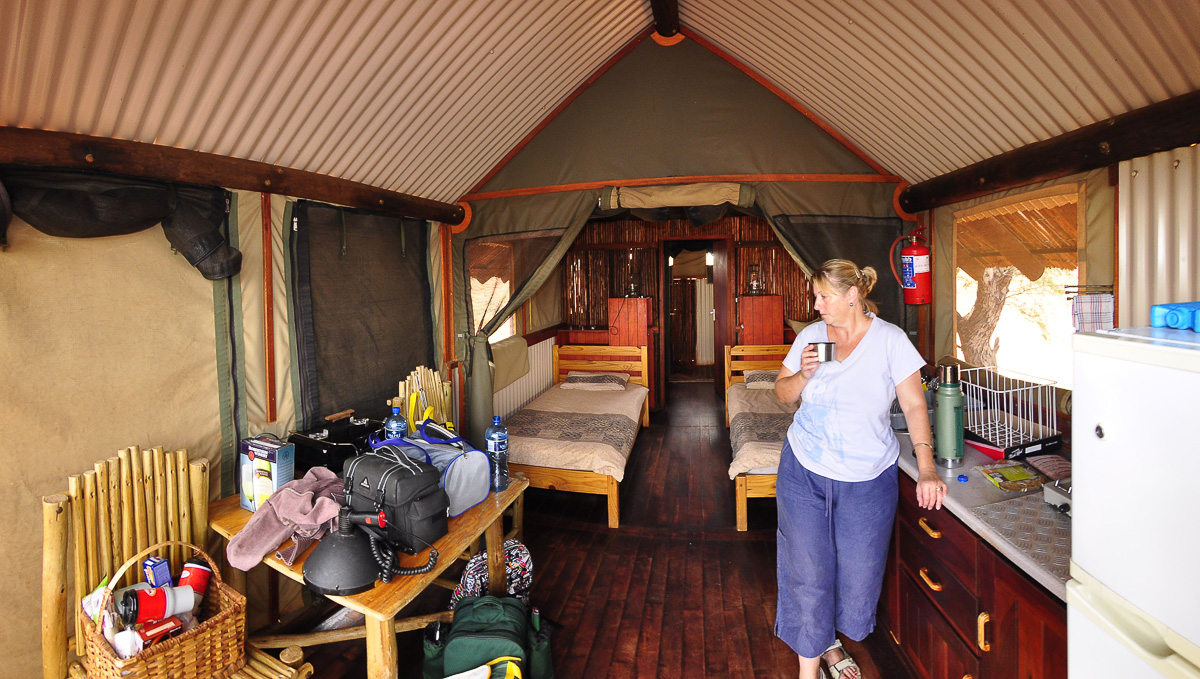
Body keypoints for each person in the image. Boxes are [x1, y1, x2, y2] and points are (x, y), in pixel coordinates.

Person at [773, 258, 943, 679]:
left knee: (858, 579)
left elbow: (914, 403)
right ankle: (809, 669)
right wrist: (805, 375)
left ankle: (830, 639)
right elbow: (782, 391)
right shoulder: (813, 337)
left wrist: (927, 469)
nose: (816, 305)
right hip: (805, 469)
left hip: (867, 479)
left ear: (852, 297)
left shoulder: (890, 341)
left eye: (823, 296)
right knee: (807, 572)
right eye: (816, 296)